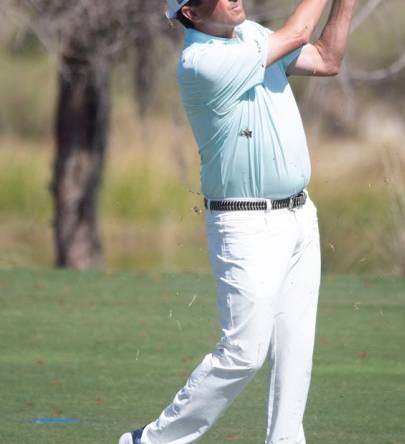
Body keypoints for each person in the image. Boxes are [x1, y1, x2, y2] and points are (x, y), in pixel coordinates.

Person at [119, 0, 355, 442]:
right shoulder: (200, 63)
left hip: (300, 217)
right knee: (244, 352)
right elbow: (299, 33)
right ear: (190, 12)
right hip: (246, 226)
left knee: (294, 352)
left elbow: (327, 59)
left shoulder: (252, 37)